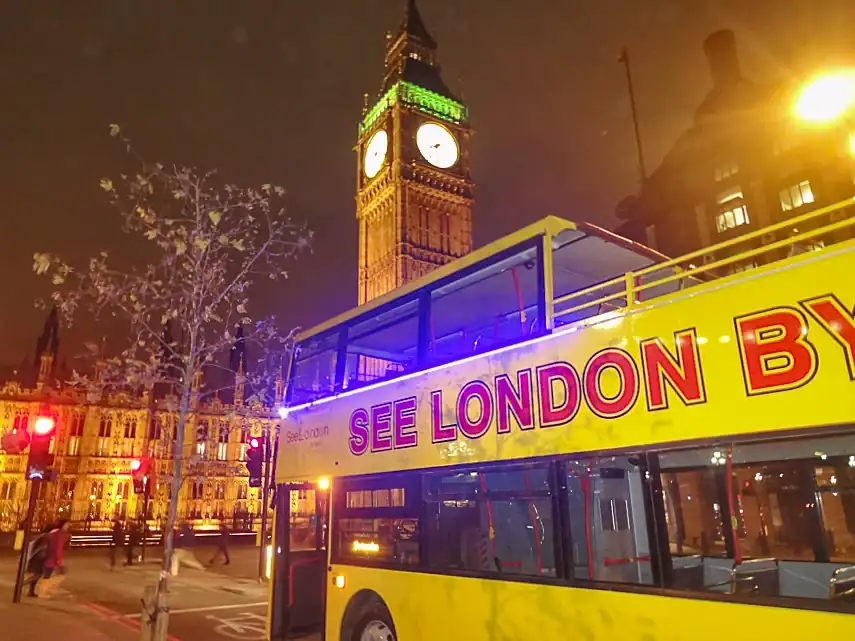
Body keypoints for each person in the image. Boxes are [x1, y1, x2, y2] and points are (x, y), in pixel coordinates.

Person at [31, 520, 70, 598]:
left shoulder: (53, 534)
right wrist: (58, 561)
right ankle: (42, 592)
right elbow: (57, 548)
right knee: (48, 576)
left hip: (48, 558)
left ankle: (41, 591)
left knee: (44, 575)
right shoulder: (58, 535)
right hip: (51, 559)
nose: (68, 526)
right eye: (67, 525)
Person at [26, 525, 53, 597]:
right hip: (38, 559)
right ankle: (21, 584)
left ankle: (31, 591)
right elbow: (41, 548)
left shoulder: (42, 536)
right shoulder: (45, 537)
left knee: (37, 575)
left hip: (37, 558)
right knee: (37, 575)